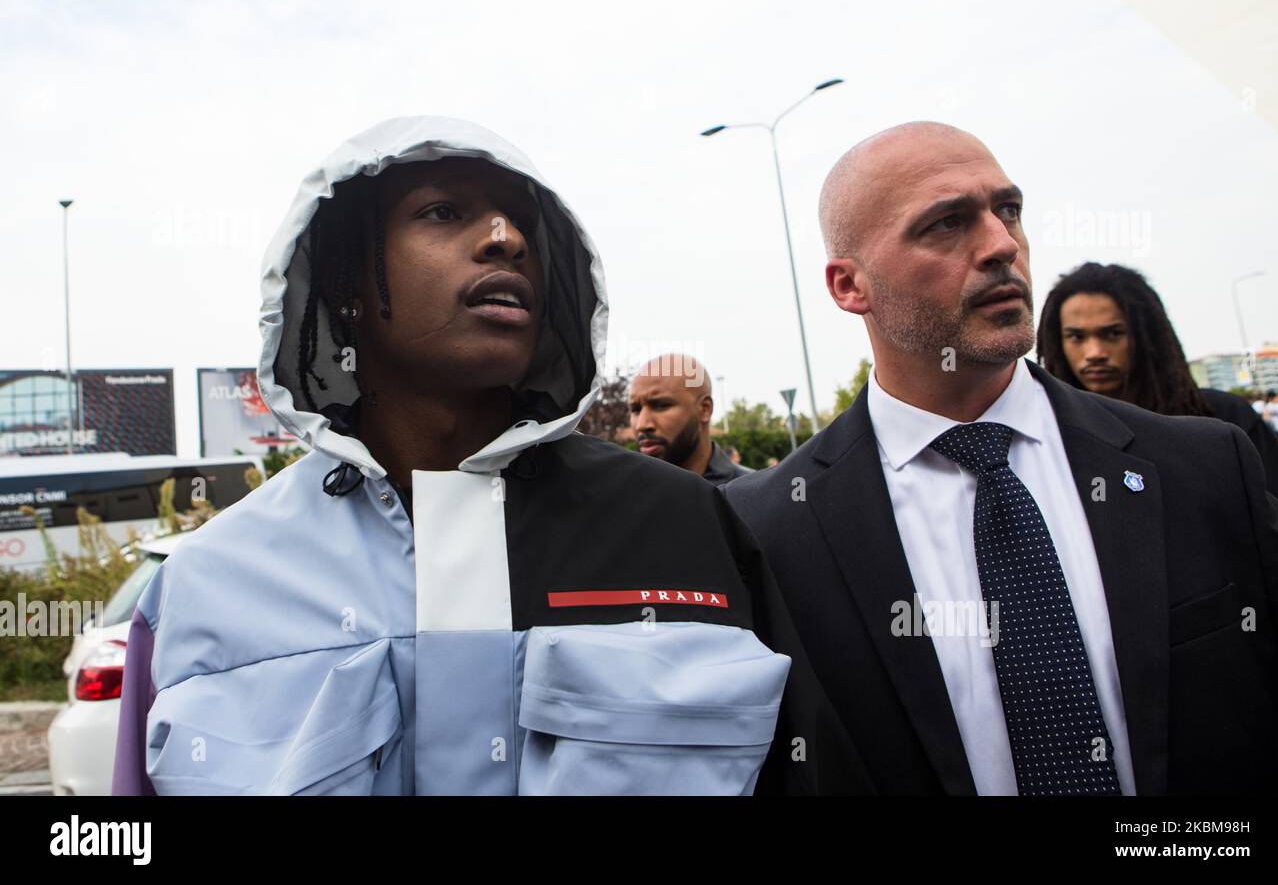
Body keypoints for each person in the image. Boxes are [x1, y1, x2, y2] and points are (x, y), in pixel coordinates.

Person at [111, 116, 796, 796]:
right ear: (347, 283)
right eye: (443, 211)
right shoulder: (202, 586)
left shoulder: (686, 527)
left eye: (522, 223)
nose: (507, 240)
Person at [724, 121, 1278, 795]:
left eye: (1009, 211)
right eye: (946, 224)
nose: (1002, 245)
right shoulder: (765, 530)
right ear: (851, 286)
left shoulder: (1199, 468)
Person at [1036, 261, 1278, 520]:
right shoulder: (1048, 437)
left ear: (1147, 335)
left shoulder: (1222, 418)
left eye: (1113, 333)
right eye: (1077, 337)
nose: (1094, 353)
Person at [628, 353, 752, 484]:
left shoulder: (750, 495)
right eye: (635, 409)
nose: (641, 424)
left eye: (661, 405)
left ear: (705, 409)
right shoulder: (621, 493)